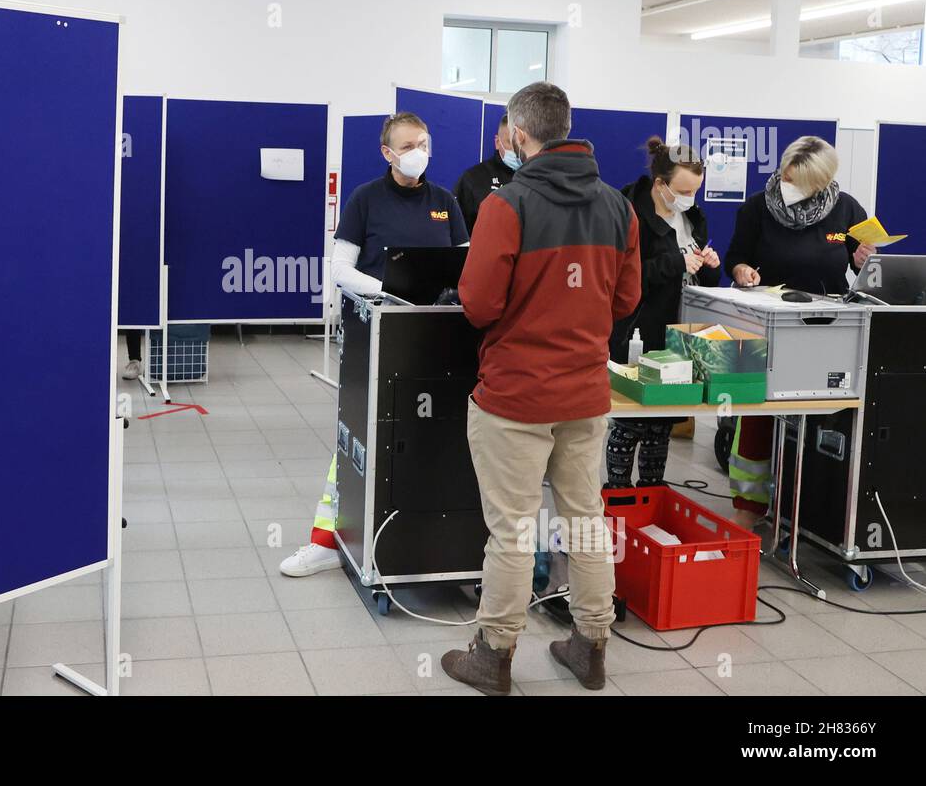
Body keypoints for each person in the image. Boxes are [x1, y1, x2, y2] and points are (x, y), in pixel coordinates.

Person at [441, 81, 641, 695]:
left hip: (515, 398)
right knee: (584, 522)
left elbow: (477, 304)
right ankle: (591, 646)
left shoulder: (508, 205)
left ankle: (494, 655)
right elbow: (628, 300)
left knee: (513, 531)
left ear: (519, 135)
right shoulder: (618, 207)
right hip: (584, 396)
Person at [278, 112, 468, 577]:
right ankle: (326, 539)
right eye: (407, 145)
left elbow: (465, 266)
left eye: (423, 142)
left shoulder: (445, 201)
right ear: (387, 152)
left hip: (438, 338)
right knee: (358, 437)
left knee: (432, 439)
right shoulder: (367, 199)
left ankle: (425, 542)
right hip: (378, 332)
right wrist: (387, 290)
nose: (417, 151)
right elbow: (340, 270)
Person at [722, 136, 874, 527]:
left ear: (820, 182)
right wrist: (740, 270)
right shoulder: (758, 207)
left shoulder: (846, 212)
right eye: (786, 176)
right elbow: (736, 257)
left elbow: (871, 273)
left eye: (799, 181)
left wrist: (862, 261)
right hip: (770, 328)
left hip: (829, 332)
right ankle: (748, 509)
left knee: (823, 418)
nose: (788, 185)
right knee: (759, 416)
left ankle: (811, 508)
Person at [604, 138, 721, 490]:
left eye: (695, 191)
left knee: (664, 421)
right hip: (637, 330)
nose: (689, 199)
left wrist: (710, 266)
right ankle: (619, 494)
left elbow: (700, 278)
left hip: (678, 334)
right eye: (683, 190)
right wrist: (673, 262)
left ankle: (653, 492)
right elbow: (619, 275)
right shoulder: (628, 213)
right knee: (631, 422)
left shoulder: (693, 219)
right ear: (660, 184)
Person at [453, 113, 517, 231]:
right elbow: (459, 232)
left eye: (520, 144)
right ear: (498, 142)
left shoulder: (537, 178)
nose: (516, 150)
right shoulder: (473, 179)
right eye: (510, 143)